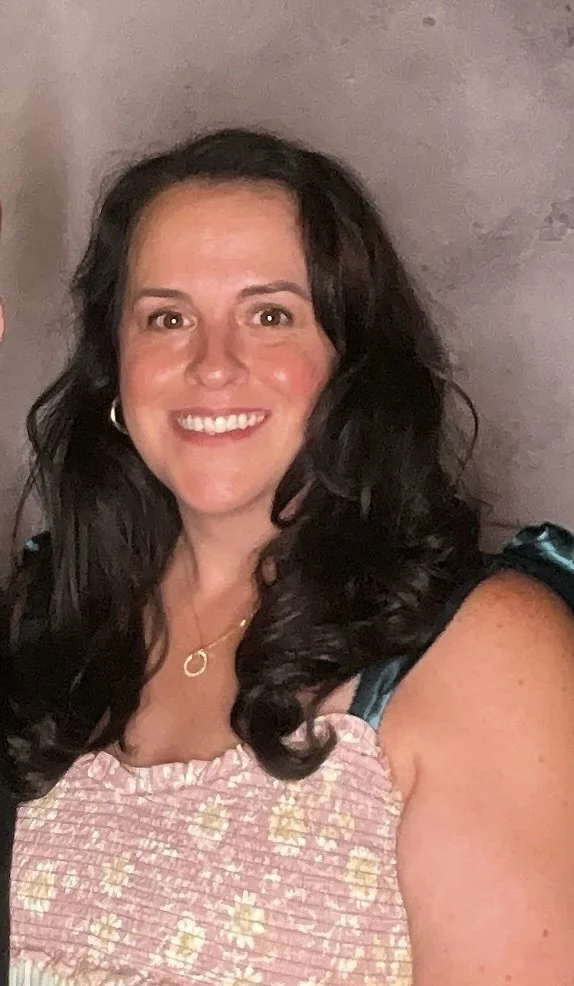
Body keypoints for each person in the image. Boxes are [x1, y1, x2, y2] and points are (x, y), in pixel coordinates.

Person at [2, 128, 574, 985]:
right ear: (114, 371)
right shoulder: (46, 621)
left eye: (271, 315)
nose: (213, 365)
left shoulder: (488, 648)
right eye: (167, 318)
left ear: (352, 364)